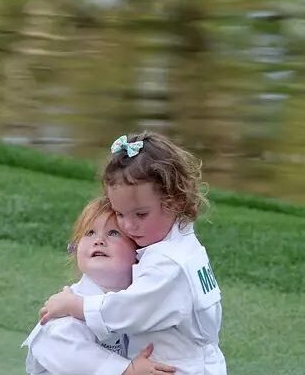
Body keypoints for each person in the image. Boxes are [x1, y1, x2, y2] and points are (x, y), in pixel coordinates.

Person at [39, 132, 227, 374]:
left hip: (173, 367)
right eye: (119, 213)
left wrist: (75, 305)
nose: (128, 226)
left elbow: (128, 310)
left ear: (175, 201)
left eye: (140, 214)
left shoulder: (169, 263)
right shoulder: (184, 246)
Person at [24, 197, 176, 375]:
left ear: (139, 252)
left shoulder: (138, 299)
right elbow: (65, 351)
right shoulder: (64, 310)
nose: (99, 240)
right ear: (75, 248)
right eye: (89, 233)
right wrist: (127, 370)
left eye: (113, 233)